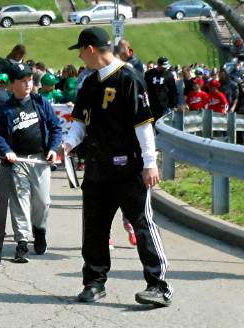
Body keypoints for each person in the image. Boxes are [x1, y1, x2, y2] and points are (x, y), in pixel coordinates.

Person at [60, 27, 172, 307]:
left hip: (128, 168)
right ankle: (94, 282)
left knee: (142, 223)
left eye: (81, 51)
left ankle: (158, 285)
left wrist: (150, 163)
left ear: (90, 49)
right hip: (96, 168)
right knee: (94, 228)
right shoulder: (88, 83)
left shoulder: (128, 79)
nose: (80, 57)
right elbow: (79, 124)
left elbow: (143, 125)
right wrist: (66, 145)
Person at [0, 63, 63, 262]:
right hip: (18, 161)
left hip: (40, 160)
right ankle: (22, 242)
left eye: (30, 80)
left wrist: (53, 148)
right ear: (12, 84)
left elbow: (55, 127)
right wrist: (7, 151)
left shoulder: (40, 103)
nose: (28, 84)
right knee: (19, 201)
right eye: (23, 81)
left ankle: (39, 230)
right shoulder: (6, 109)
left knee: (43, 201)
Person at [144, 57, 179, 122]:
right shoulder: (149, 74)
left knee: (162, 124)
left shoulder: (169, 75)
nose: (165, 68)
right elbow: (144, 87)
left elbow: (173, 90)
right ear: (158, 65)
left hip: (164, 106)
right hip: (151, 105)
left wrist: (174, 105)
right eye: (163, 67)